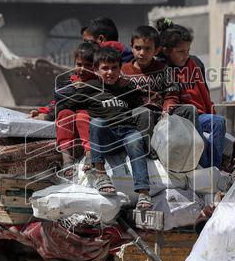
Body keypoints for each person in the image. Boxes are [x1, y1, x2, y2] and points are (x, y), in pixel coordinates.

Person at [55, 47, 153, 210]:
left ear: (120, 69)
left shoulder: (126, 88)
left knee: (135, 138)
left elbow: (143, 104)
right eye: (105, 68)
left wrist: (131, 87)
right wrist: (45, 114)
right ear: (96, 70)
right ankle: (101, 174)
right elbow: (63, 107)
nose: (110, 72)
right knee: (97, 123)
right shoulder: (89, 88)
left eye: (114, 68)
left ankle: (143, 193)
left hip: (126, 133)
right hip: (106, 136)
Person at [157, 20, 226, 169]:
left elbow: (205, 93)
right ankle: (206, 168)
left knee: (218, 122)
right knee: (193, 118)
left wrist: (211, 110)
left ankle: (216, 168)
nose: (186, 55)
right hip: (180, 119)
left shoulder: (195, 63)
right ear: (166, 51)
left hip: (201, 117)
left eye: (188, 50)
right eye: (181, 52)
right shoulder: (162, 69)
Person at [53, 41, 100, 175]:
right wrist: (43, 111)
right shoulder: (70, 82)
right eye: (79, 64)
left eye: (88, 65)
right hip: (69, 112)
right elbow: (56, 101)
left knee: (82, 116)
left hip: (88, 114)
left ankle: (90, 154)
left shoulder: (98, 82)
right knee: (64, 113)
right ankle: (66, 159)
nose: (82, 69)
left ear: (95, 66)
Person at [121, 25, 174, 133]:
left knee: (188, 110)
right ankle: (148, 149)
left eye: (147, 48)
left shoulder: (163, 69)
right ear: (131, 47)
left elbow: (172, 91)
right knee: (145, 114)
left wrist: (168, 106)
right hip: (138, 115)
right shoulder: (123, 71)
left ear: (156, 50)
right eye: (138, 48)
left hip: (161, 113)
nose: (142, 53)